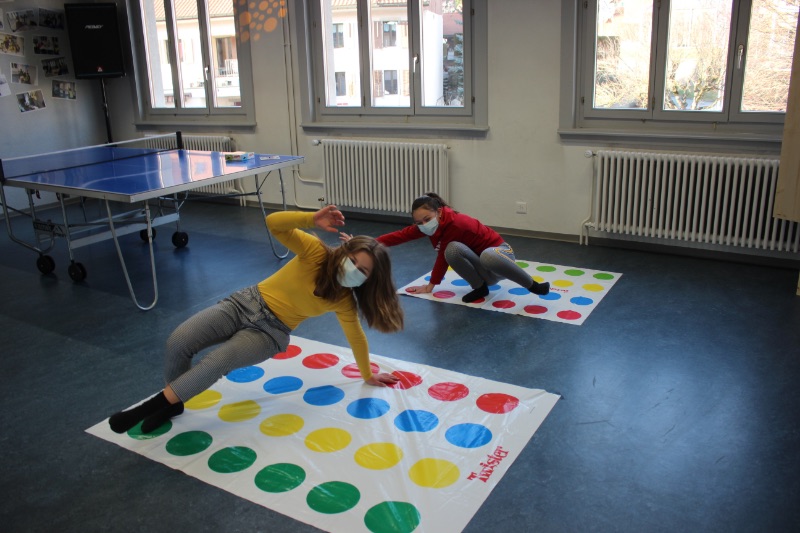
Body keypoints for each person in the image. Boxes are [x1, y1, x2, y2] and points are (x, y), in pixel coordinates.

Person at [109, 206, 404, 435]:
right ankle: (173, 404)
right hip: (243, 304)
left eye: (362, 271)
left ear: (369, 280)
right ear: (344, 252)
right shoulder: (315, 253)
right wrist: (311, 219)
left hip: (270, 334)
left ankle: (145, 410)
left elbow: (356, 336)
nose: (354, 269)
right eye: (353, 261)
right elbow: (273, 222)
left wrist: (367, 374)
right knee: (179, 340)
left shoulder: (343, 301)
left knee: (216, 362)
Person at [356, 193, 550, 304]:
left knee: (486, 255)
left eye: (427, 219)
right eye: (419, 222)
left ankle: (533, 286)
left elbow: (441, 258)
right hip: (486, 271)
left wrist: (431, 284)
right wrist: (370, 243)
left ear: (439, 212)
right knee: (452, 250)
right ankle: (480, 287)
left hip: (502, 257)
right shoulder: (428, 226)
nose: (423, 224)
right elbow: (400, 235)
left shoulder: (457, 224)